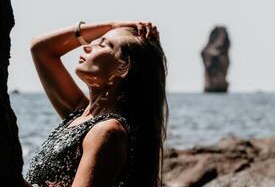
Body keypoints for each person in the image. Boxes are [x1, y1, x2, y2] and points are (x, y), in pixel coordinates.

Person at [25, 21, 169, 187]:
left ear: (123, 67)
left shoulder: (107, 132)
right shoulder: (82, 115)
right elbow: (41, 49)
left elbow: (42, 49)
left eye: (102, 45)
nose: (87, 47)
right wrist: (113, 25)